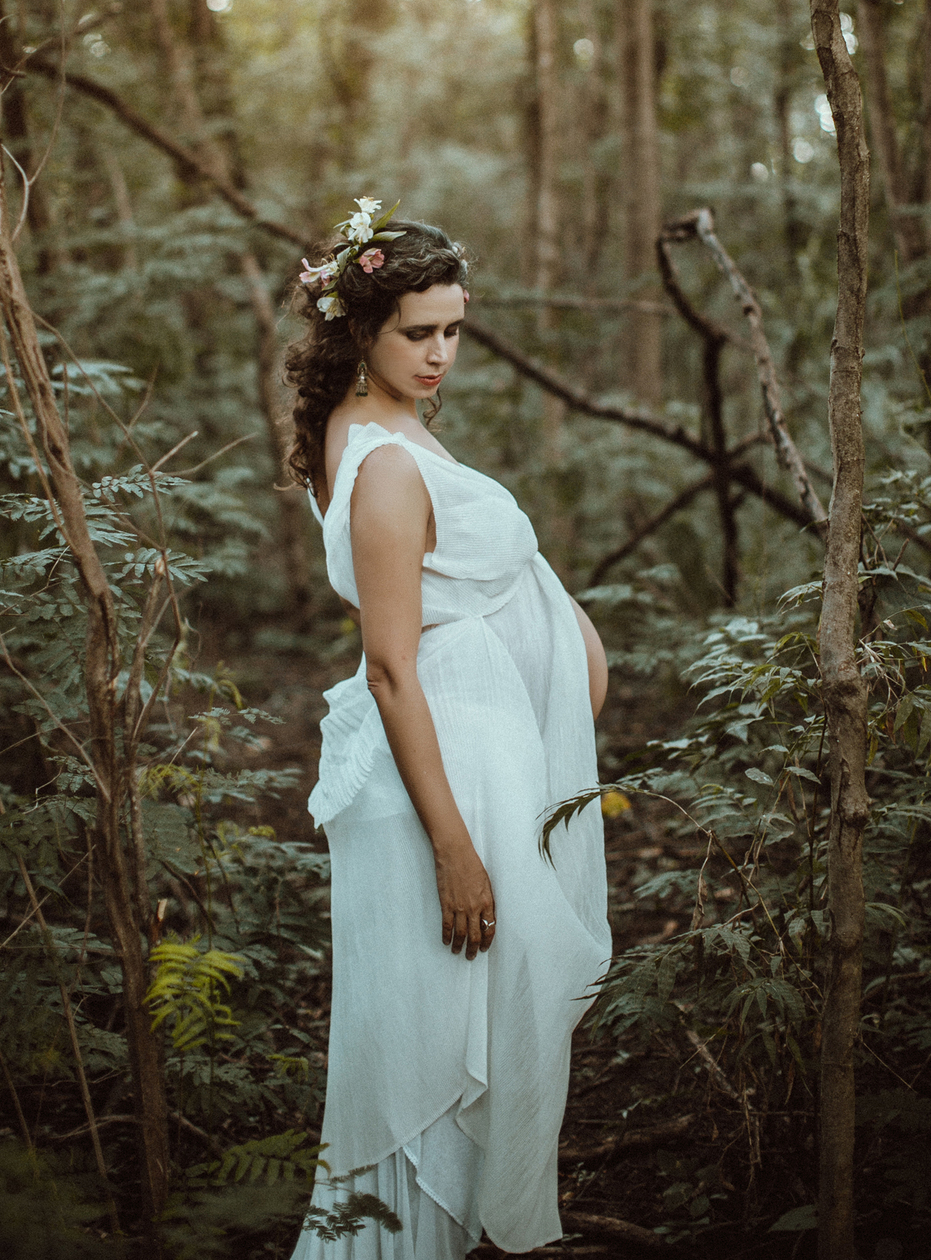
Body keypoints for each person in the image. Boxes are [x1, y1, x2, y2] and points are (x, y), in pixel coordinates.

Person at [285, 199, 611, 1260]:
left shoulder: (388, 431)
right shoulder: (382, 463)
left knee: (465, 1045)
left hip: (476, 766)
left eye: (454, 329)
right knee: (423, 1067)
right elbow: (389, 667)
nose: (440, 354)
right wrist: (457, 849)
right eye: (416, 333)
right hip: (442, 794)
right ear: (359, 333)